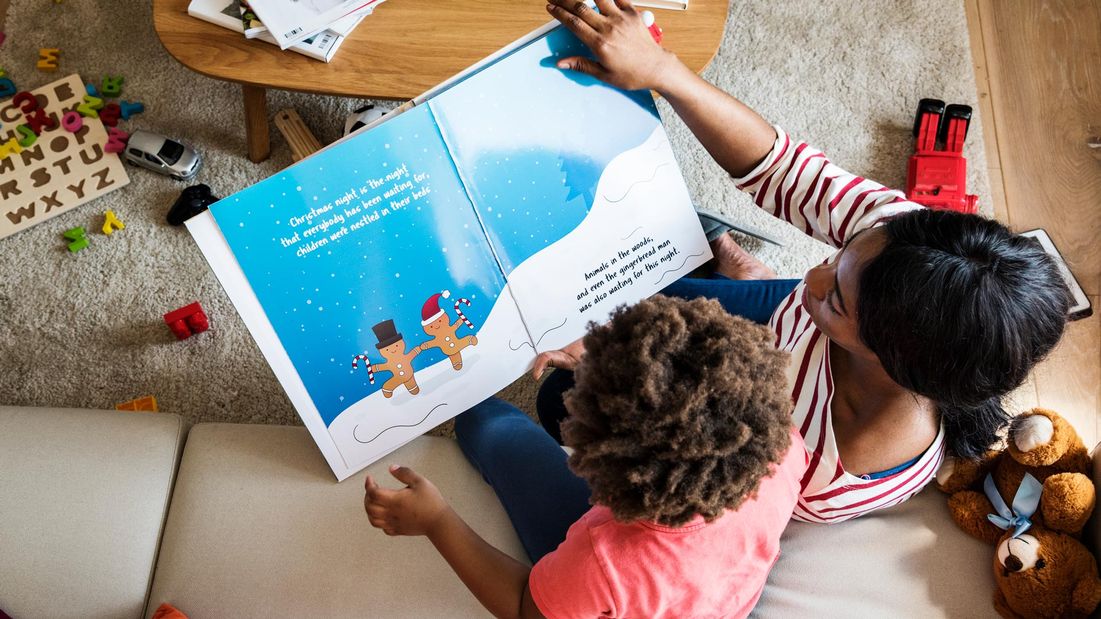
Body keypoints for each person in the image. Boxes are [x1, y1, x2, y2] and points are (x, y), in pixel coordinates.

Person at [533, 0, 1072, 523]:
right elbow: (784, 170)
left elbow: (693, 477)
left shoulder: (817, 469)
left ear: (890, 356)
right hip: (787, 327)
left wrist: (624, 365)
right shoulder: (906, 241)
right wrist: (664, 72)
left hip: (760, 384)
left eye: (837, 294)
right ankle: (757, 280)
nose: (811, 272)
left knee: (563, 396)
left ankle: (746, 283)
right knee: (649, 307)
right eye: (837, 257)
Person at [364, 296, 807, 619]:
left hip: (627, 586)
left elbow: (524, 607)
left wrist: (437, 521)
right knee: (494, 424)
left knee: (485, 424)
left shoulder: (605, 563)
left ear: (605, 464)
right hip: (707, 589)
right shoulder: (786, 448)